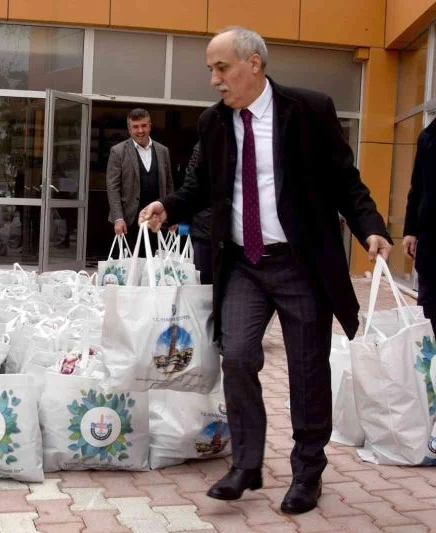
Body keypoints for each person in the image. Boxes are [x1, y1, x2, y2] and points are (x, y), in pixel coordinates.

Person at [139, 27, 392, 515]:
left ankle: (307, 472)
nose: (214, 79)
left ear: (254, 64)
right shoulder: (214, 123)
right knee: (236, 357)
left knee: (306, 371)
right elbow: (197, 187)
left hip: (302, 266)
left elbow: (345, 181)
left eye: (221, 67)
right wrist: (167, 206)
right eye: (210, 69)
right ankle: (246, 464)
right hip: (243, 264)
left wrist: (370, 228)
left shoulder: (310, 109)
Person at [106, 108, 173, 255]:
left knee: (155, 267)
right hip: (129, 220)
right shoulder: (118, 152)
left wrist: (172, 214)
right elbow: (113, 187)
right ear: (129, 129)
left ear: (150, 126)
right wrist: (118, 218)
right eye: (135, 127)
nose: (140, 130)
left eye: (143, 125)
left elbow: (169, 185)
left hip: (156, 220)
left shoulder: (163, 151)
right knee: (128, 268)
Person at [403, 118, 436, 333]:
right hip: (431, 244)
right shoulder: (428, 137)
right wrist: (410, 231)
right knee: (429, 316)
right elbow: (417, 188)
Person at [185, 142, 214, 284]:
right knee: (204, 283)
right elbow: (191, 186)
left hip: (230, 232)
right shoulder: (202, 148)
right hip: (205, 228)